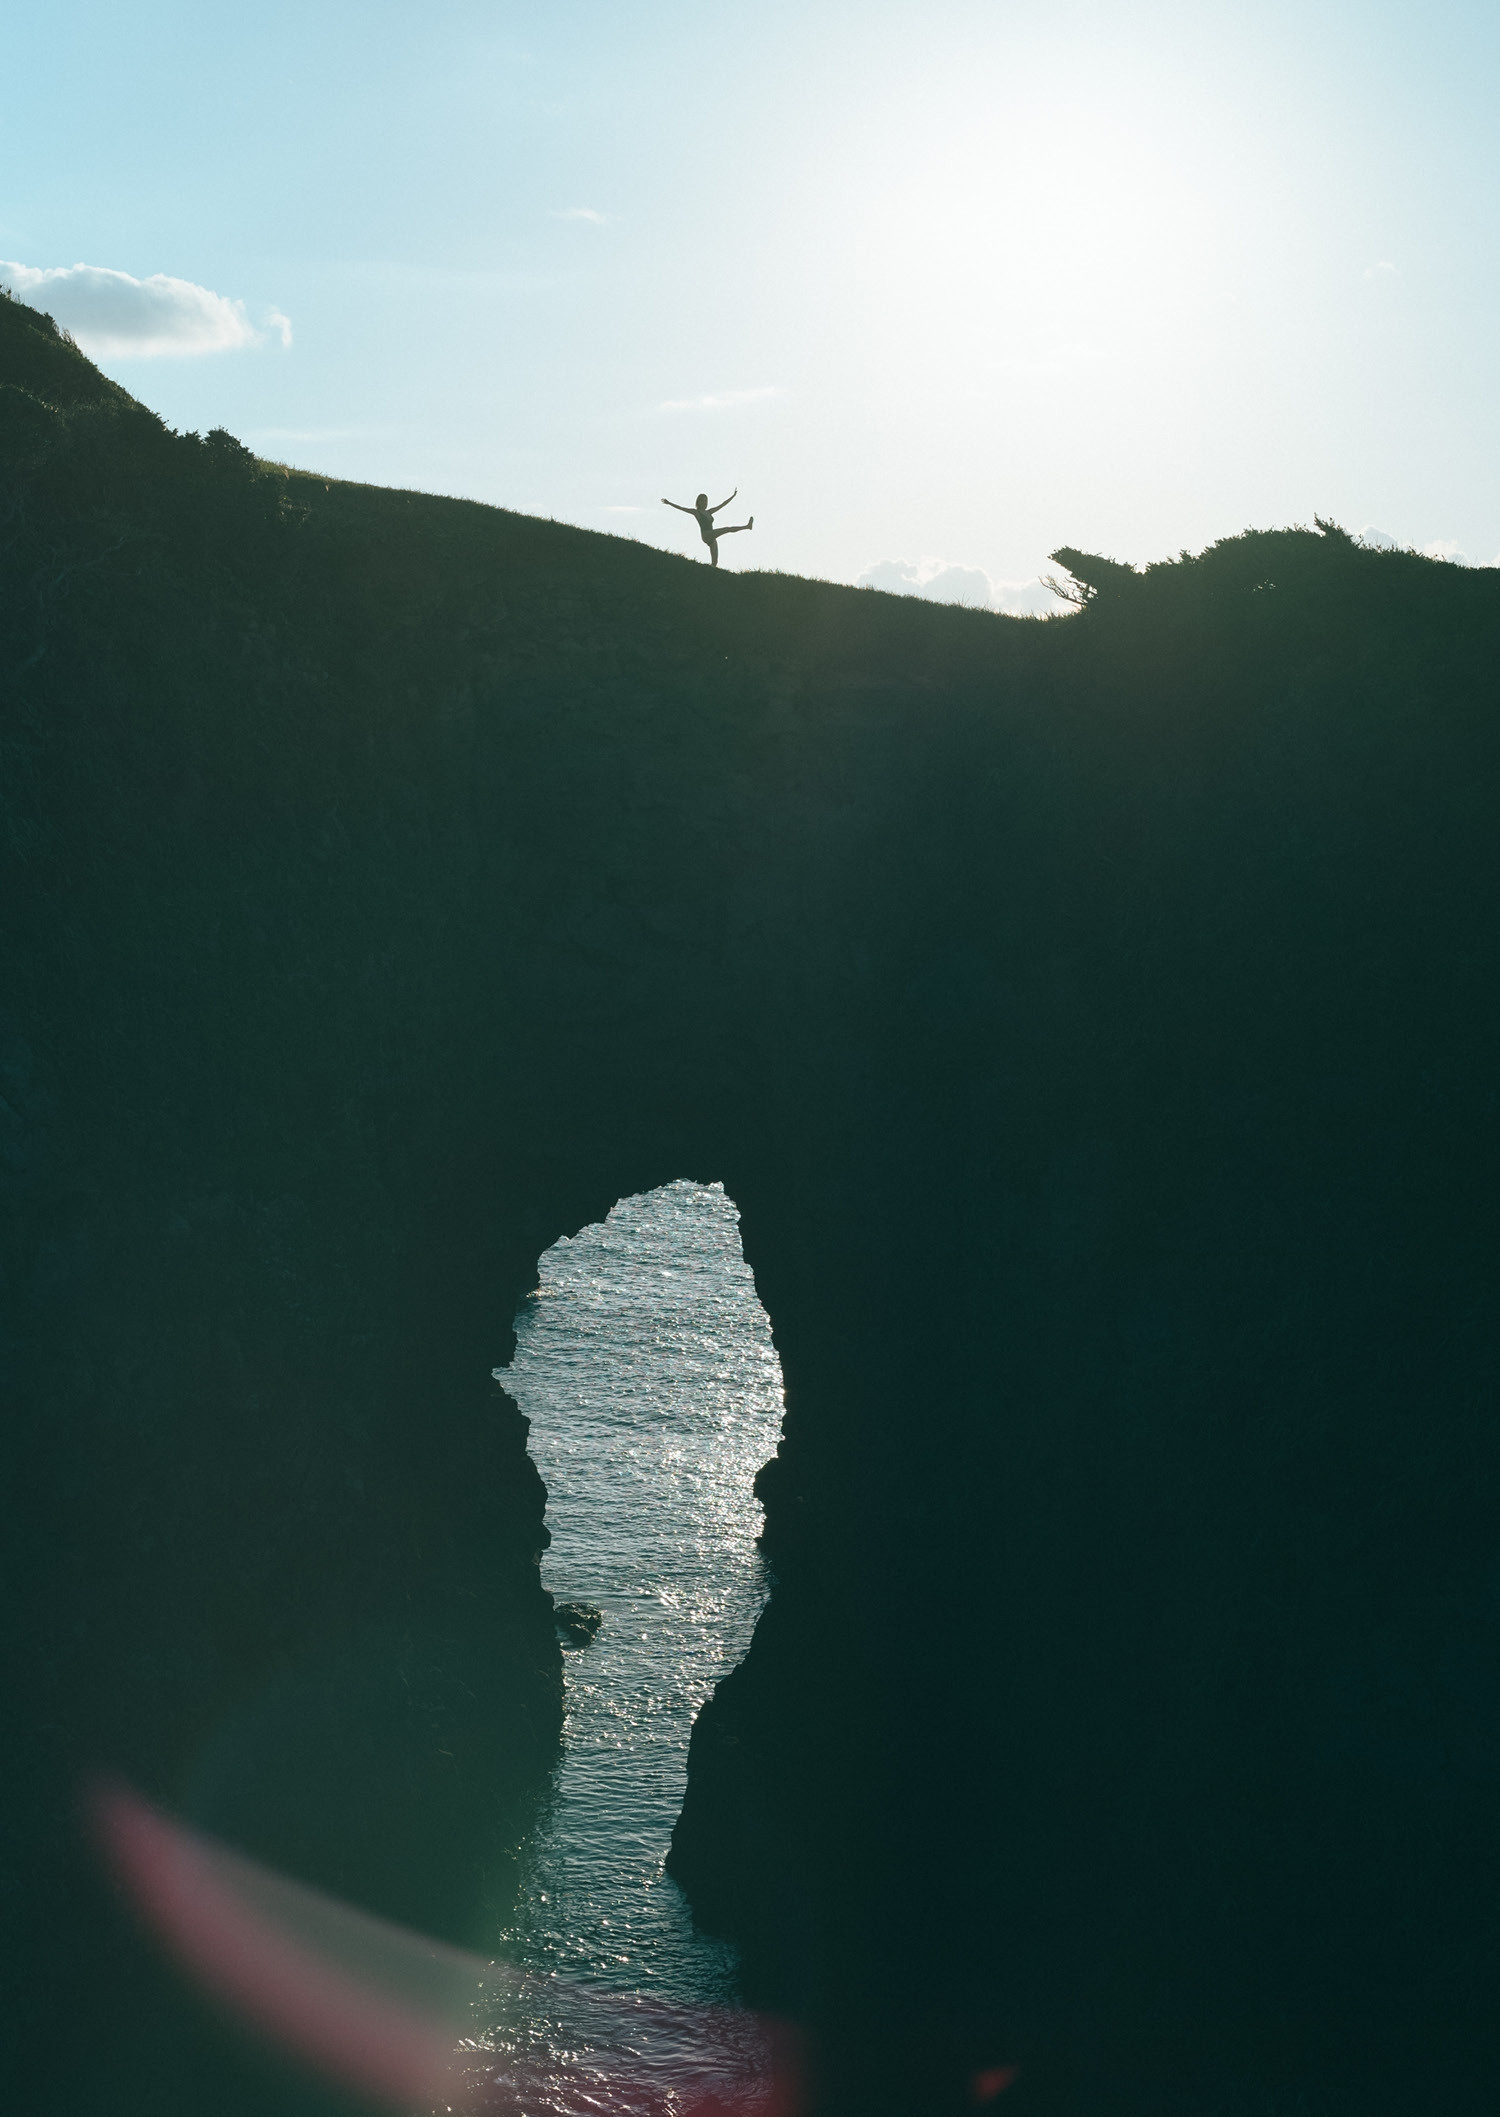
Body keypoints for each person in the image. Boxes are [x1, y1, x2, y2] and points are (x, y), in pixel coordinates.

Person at [661, 488, 754, 567]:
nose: (705, 502)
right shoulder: (696, 512)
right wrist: (669, 503)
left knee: (715, 563)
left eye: (706, 501)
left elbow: (722, 504)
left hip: (712, 538)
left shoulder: (709, 512)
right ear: (699, 502)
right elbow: (681, 508)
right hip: (706, 535)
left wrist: (733, 496)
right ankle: (747, 526)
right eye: (703, 500)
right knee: (727, 529)